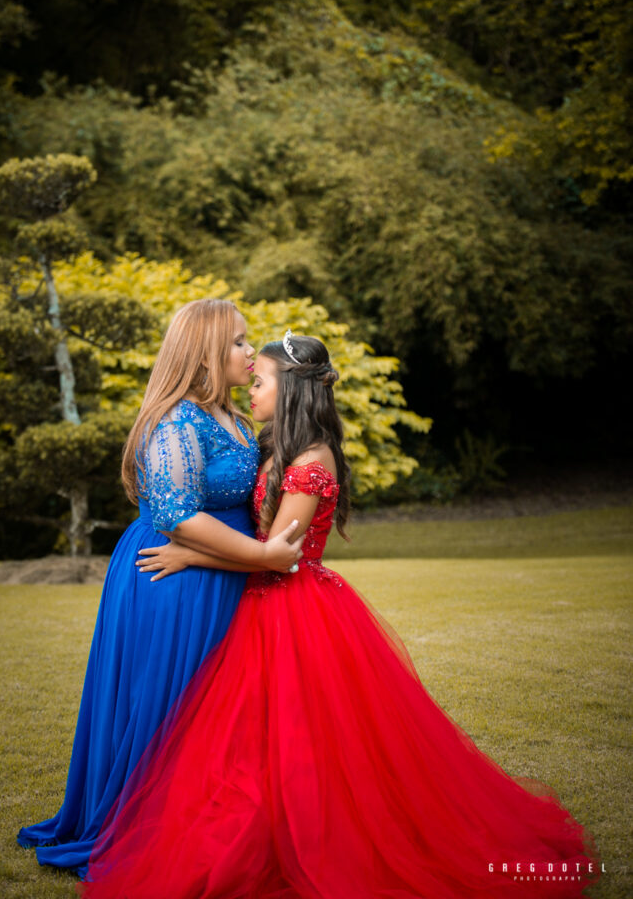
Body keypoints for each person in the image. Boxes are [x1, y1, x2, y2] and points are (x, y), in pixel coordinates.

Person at [81, 332, 601, 899]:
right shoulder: (280, 448)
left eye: (261, 382)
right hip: (261, 605)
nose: (251, 388)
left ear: (292, 391)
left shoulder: (310, 460)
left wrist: (191, 551)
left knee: (309, 737)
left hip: (293, 608)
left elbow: (280, 556)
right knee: (258, 740)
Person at [17, 300, 301, 877]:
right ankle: (152, 824)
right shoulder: (175, 422)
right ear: (204, 351)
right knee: (173, 706)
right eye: (240, 343)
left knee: (216, 713)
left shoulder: (232, 418)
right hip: (175, 581)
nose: (251, 353)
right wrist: (265, 556)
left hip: (217, 574)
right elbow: (176, 514)